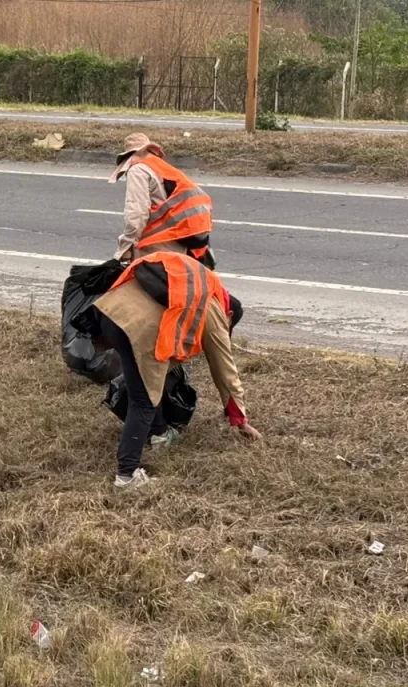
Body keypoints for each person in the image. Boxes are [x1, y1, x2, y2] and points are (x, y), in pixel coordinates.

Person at [93, 251, 261, 488]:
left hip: (111, 313)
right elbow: (225, 370)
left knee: (143, 385)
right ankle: (126, 476)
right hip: (137, 328)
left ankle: (158, 431)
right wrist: (239, 419)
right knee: (143, 401)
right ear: (229, 315)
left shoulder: (199, 283)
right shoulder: (212, 308)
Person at [109, 132, 215, 269]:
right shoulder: (160, 166)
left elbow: (137, 213)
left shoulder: (138, 170)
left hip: (164, 238)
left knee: (150, 280)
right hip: (188, 233)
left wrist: (125, 247)